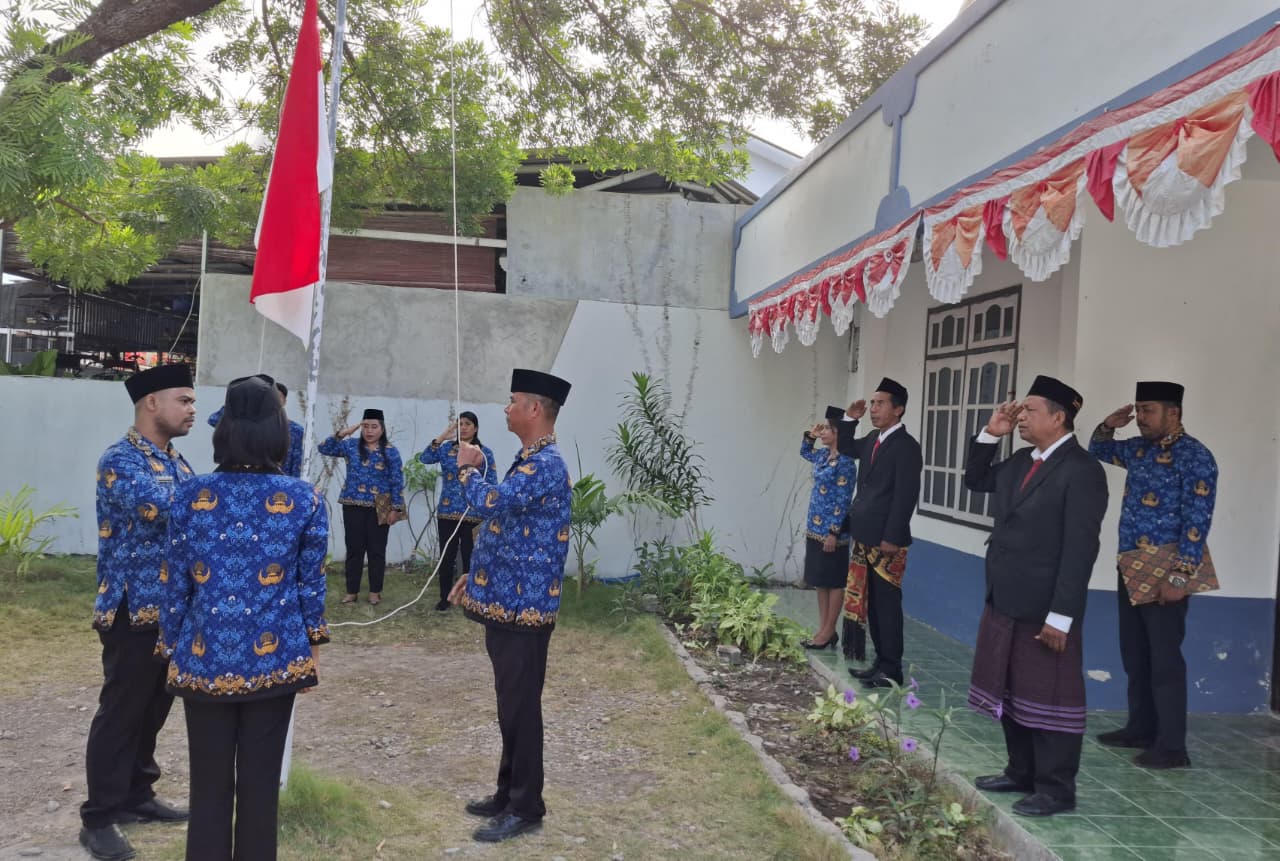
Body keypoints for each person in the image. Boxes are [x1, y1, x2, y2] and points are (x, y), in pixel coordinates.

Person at [160, 375, 330, 861]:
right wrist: (311, 653)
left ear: (224, 429)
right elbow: (309, 589)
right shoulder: (306, 499)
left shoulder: (190, 495)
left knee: (207, 787)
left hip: (202, 658)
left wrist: (169, 646)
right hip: (274, 660)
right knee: (260, 789)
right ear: (279, 431)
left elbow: (176, 584)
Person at [964, 375, 1108, 817]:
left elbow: (1080, 550)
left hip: (1047, 606)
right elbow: (976, 479)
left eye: (1029, 410)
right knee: (1011, 689)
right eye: (1019, 411)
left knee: (1052, 697)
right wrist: (991, 433)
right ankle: (1020, 771)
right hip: (1006, 596)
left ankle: (1057, 789)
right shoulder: (1023, 460)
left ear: (1059, 417)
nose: (1020, 416)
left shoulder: (1081, 471)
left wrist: (1062, 616)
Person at [447, 369, 572, 844]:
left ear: (535, 409)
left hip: (525, 612)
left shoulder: (547, 465)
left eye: (513, 400)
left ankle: (526, 806)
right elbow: (512, 531)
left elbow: (491, 503)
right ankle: (508, 792)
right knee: (510, 705)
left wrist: (467, 468)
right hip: (506, 602)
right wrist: (475, 576)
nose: (505, 407)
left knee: (520, 707)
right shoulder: (529, 458)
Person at [81, 364, 196, 861]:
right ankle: (100, 816)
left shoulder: (179, 461)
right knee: (122, 712)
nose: (193, 411)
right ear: (152, 402)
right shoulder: (121, 461)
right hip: (132, 610)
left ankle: (137, 794)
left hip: (171, 610)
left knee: (154, 708)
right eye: (184, 401)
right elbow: (166, 509)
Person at [1088, 381, 1217, 769]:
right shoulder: (1138, 449)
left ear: (1173, 413)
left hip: (1167, 569)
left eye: (1148, 411)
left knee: (1164, 659)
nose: (1140, 418)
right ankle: (1141, 728)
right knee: (1135, 653)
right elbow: (1099, 450)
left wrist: (1180, 575)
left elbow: (1198, 521)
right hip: (1131, 564)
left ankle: (1172, 746)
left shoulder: (1197, 457)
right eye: (1139, 410)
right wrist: (1107, 425)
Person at [835, 377, 923, 688]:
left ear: (898, 409)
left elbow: (905, 496)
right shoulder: (874, 438)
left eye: (880, 403)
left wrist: (892, 536)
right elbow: (846, 446)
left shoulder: (907, 447)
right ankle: (880, 663)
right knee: (872, 605)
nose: (873, 408)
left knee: (887, 607)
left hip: (887, 542)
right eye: (872, 403)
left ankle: (892, 667)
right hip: (865, 535)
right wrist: (849, 419)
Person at [318, 408, 405, 605]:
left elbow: (397, 481)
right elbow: (323, 448)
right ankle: (352, 591)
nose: (369, 431)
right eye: (365, 426)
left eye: (374, 427)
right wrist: (343, 433)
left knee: (377, 550)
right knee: (354, 549)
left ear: (382, 429)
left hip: (382, 504)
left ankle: (375, 592)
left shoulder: (390, 451)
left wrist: (396, 509)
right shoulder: (350, 446)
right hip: (352, 502)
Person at [418, 411, 497, 611]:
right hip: (447, 511)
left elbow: (492, 482)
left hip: (473, 514)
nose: (463, 427)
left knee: (472, 557)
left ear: (475, 428)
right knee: (447, 557)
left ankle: (471, 598)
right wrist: (445, 434)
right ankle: (445, 598)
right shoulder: (446, 449)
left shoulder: (484, 453)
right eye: (459, 424)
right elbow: (425, 458)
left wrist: (488, 510)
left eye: (467, 424)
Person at [798, 406, 858, 649]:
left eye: (827, 429)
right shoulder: (823, 456)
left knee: (834, 581)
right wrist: (810, 435)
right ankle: (824, 629)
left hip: (834, 532)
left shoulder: (846, 462)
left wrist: (834, 531)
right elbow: (805, 451)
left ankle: (830, 628)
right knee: (820, 580)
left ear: (838, 433)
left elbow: (844, 499)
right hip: (815, 527)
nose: (823, 432)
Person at [207, 377, 306, 479]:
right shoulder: (242, 421)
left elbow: (297, 461)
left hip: (277, 480)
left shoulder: (296, 430)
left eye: (276, 397)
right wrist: (237, 402)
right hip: (233, 474)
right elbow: (213, 420)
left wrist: (292, 482)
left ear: (284, 401)